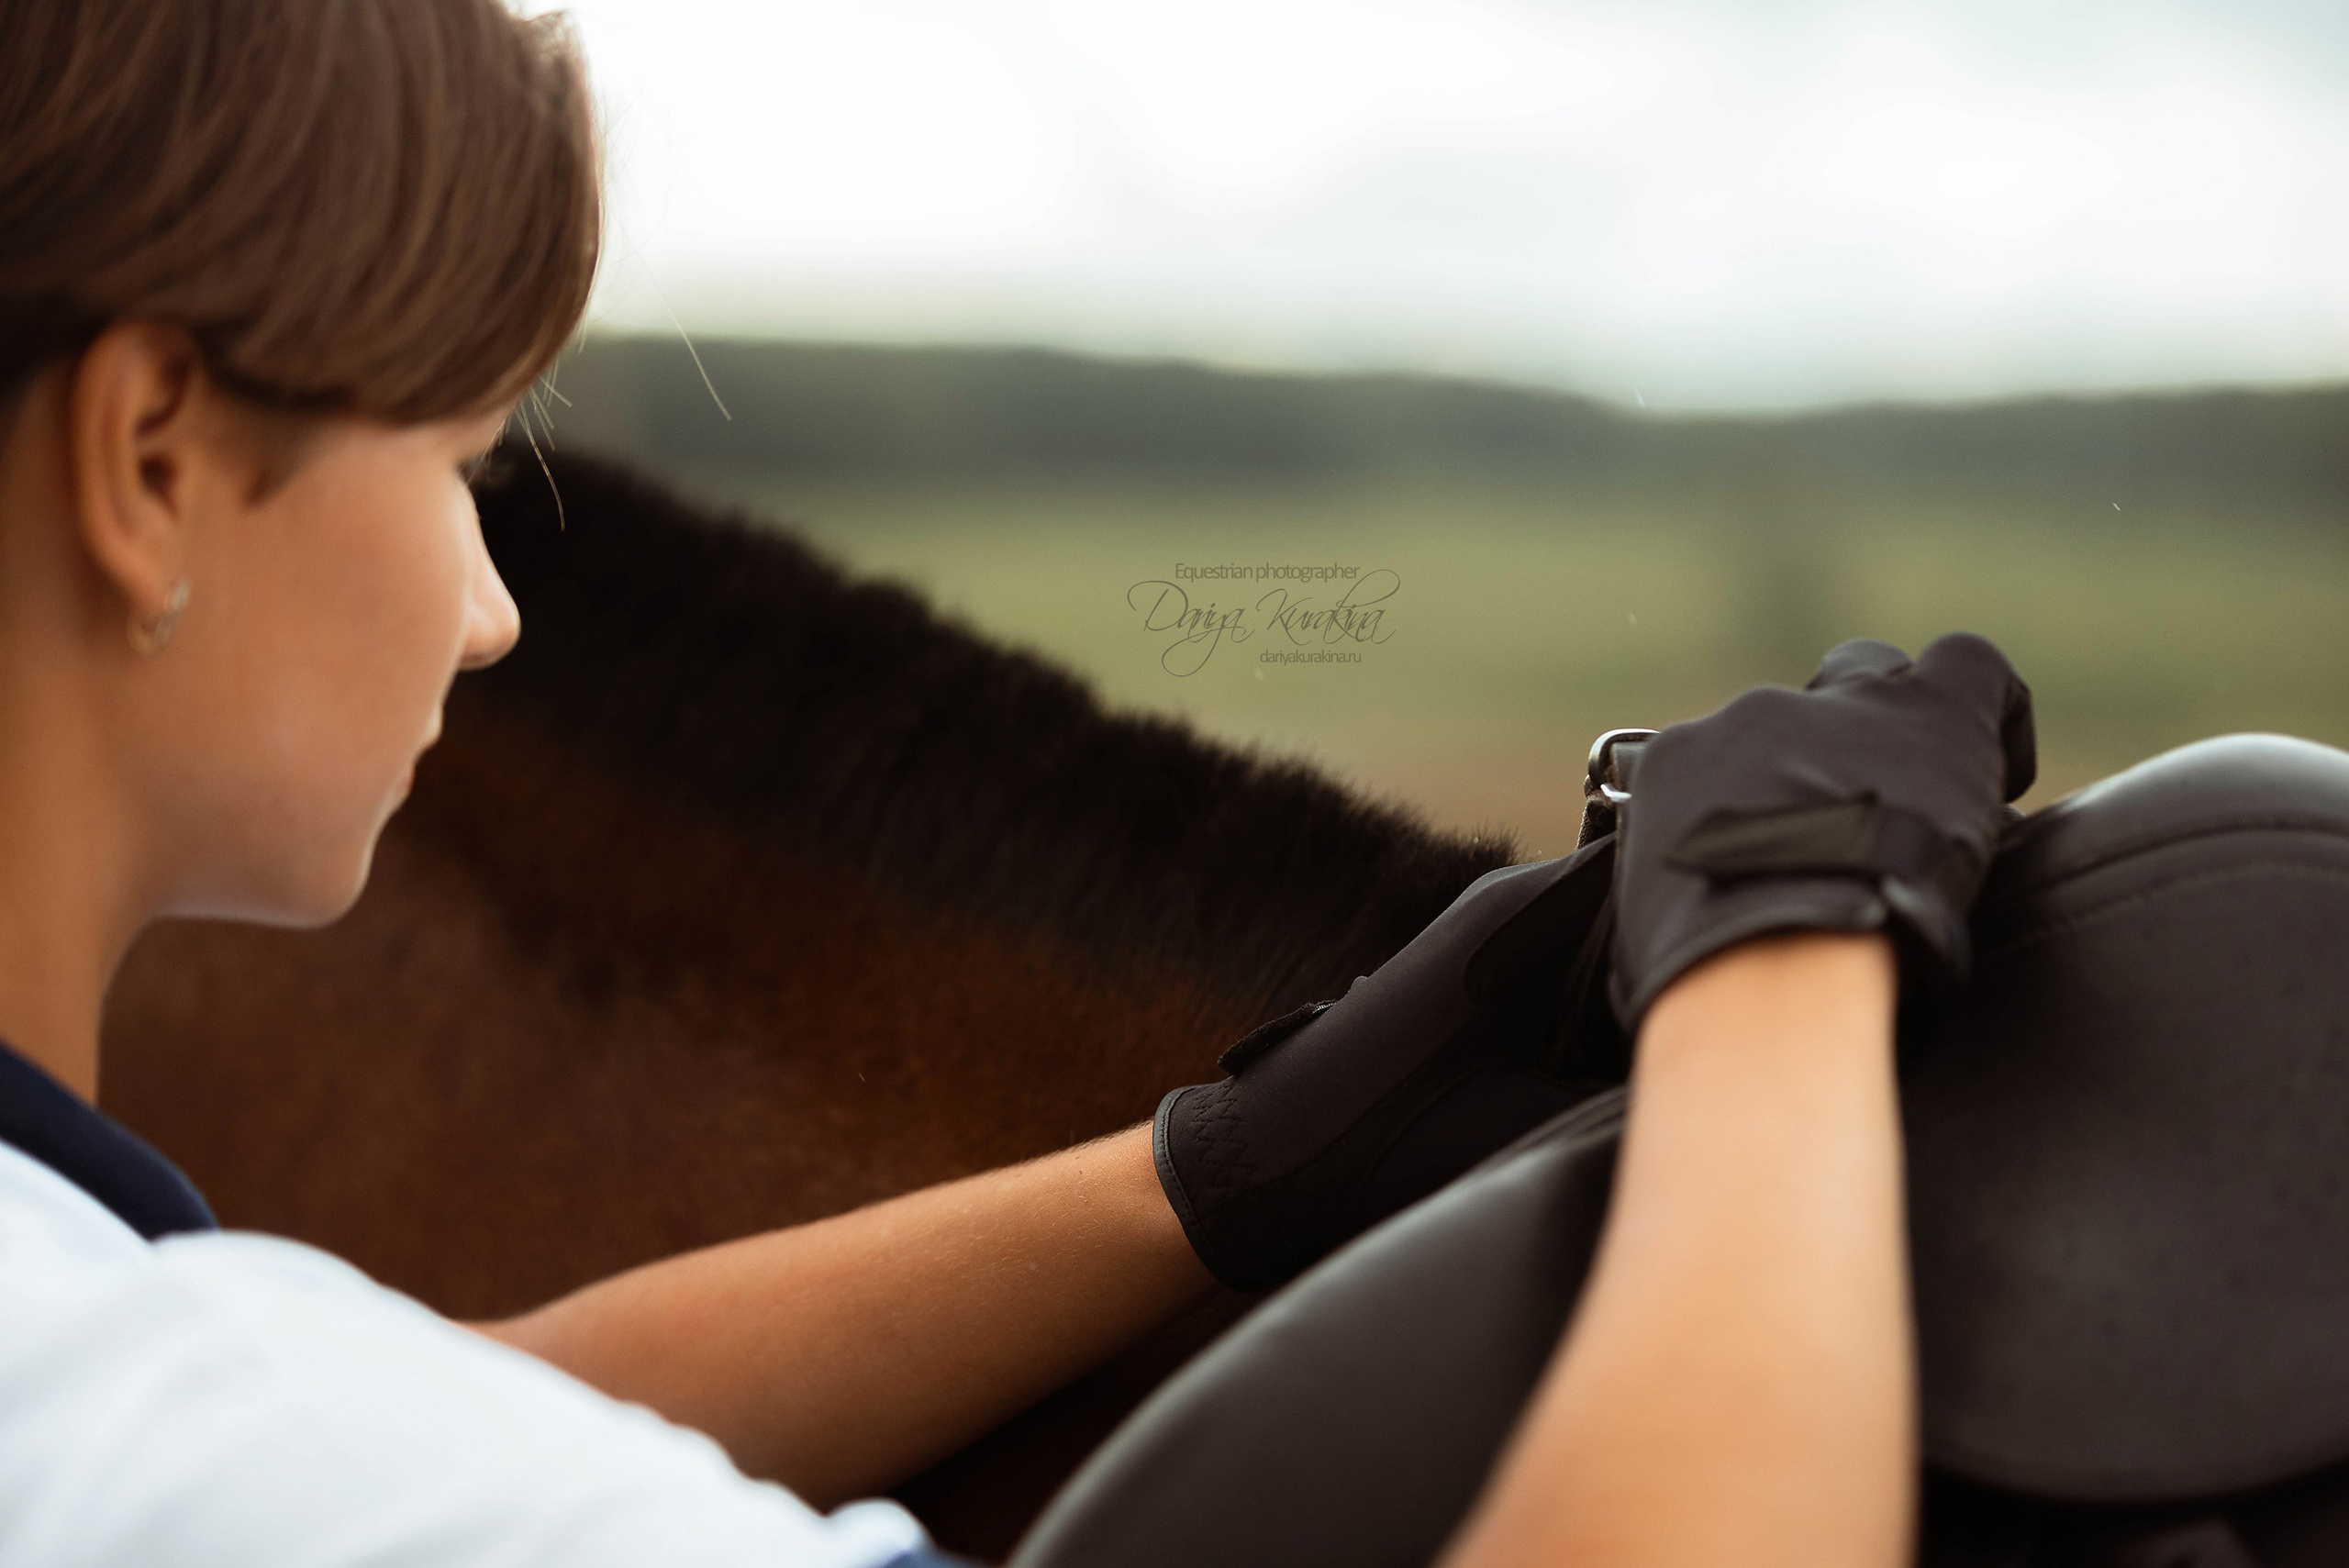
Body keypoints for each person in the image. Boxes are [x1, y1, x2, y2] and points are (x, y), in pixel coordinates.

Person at [0, 1, 2032, 1563]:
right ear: (152, 457)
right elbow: (346, 1467)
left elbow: (434, 1430)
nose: (486, 613)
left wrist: (1219, 1164)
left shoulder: (135, 1377)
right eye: (456, 466)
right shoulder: (185, 1445)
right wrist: (1783, 935)